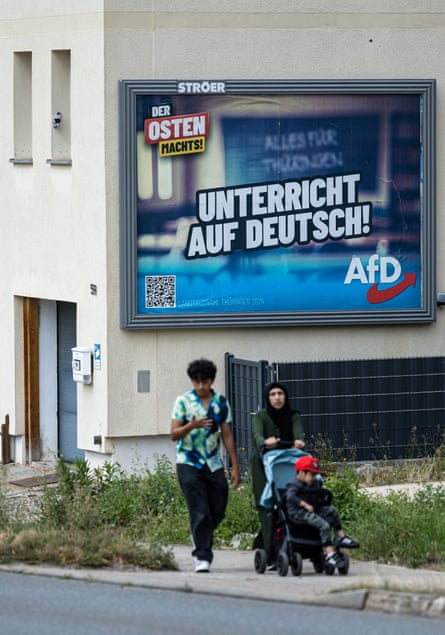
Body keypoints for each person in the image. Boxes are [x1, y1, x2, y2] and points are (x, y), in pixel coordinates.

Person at [170, 358, 241, 573]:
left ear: (212, 380)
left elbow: (227, 435)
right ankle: (202, 556)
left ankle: (198, 534)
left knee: (218, 508)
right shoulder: (183, 401)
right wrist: (192, 425)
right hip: (188, 462)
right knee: (199, 509)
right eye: (197, 382)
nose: (201, 386)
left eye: (205, 382)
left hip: (213, 462)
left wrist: (235, 467)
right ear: (192, 381)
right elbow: (173, 434)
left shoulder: (220, 402)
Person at [250, 381, 305, 562]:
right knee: (267, 505)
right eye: (272, 394)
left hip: (287, 463)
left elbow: (299, 434)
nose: (277, 397)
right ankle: (270, 551)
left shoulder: (293, 415)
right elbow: (257, 435)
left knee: (290, 502)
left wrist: (299, 442)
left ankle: (291, 542)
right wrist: (265, 442)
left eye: (280, 393)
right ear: (268, 397)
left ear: (285, 396)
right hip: (263, 465)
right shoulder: (261, 416)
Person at [286, 455, 360, 569]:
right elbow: (290, 497)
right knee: (324, 525)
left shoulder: (313, 483)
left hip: (313, 508)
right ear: (301, 473)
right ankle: (330, 553)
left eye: (315, 475)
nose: (314, 478)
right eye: (312, 475)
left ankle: (341, 537)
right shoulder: (294, 484)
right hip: (299, 512)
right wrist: (304, 505)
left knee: (332, 510)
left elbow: (318, 493)